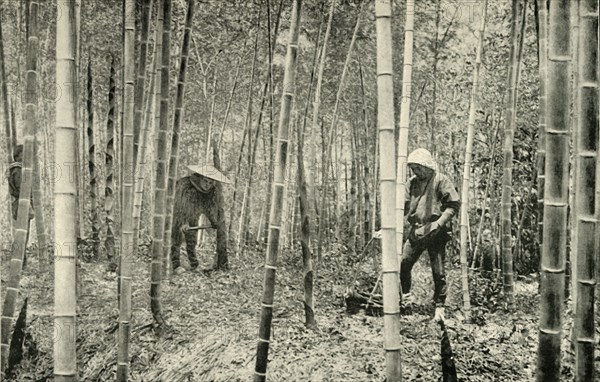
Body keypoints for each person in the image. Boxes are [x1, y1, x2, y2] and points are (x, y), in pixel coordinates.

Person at [400, 148, 460, 322]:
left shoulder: (440, 180)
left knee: (438, 271)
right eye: (413, 169)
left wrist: (439, 223)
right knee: (404, 263)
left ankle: (439, 307)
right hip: (417, 231)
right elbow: (401, 206)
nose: (416, 172)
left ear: (427, 167)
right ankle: (406, 299)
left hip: (436, 232)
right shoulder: (411, 183)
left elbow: (453, 205)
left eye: (418, 168)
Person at [170, 164, 230, 274]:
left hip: (193, 214)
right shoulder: (185, 185)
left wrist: (214, 221)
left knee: (192, 239)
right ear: (200, 178)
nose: (207, 185)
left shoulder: (210, 191)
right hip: (177, 213)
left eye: (210, 183)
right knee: (176, 239)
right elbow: (179, 205)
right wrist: (183, 222)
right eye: (205, 181)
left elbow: (209, 207)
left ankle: (194, 264)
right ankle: (175, 264)